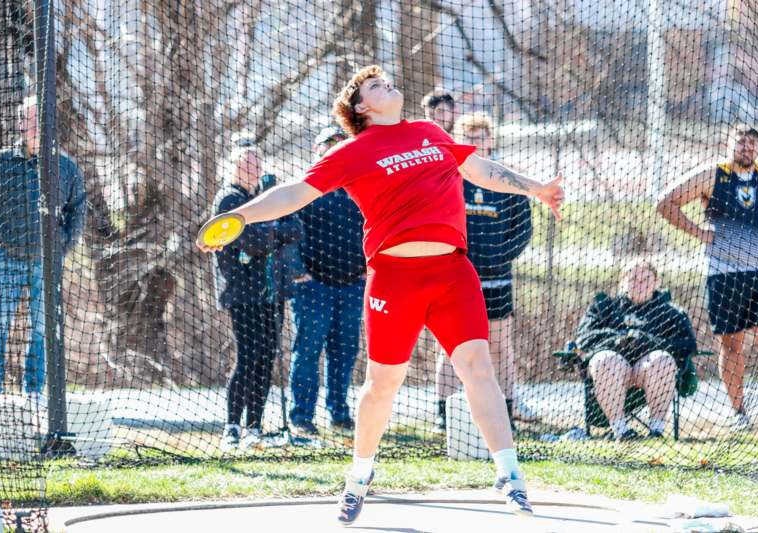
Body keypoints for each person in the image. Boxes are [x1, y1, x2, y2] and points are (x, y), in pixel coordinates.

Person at [198, 65, 564, 524]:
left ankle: (510, 478)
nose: (388, 83)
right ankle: (359, 478)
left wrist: (536, 189)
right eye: (375, 85)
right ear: (361, 107)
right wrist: (242, 217)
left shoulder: (430, 131)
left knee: (478, 368)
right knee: (382, 385)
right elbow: (294, 193)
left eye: (387, 80)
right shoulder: (354, 151)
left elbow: (482, 169)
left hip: (452, 272)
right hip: (395, 278)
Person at [657, 125, 758, 431]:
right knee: (732, 344)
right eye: (741, 142)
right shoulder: (713, 174)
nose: (746, 148)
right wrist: (698, 232)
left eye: (753, 143)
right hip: (724, 272)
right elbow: (665, 203)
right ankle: (739, 414)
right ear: (729, 144)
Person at [0, 96, 85, 400]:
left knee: (41, 329)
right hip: (7, 255)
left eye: (40, 119)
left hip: (47, 261)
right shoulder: (0, 163)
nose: (34, 125)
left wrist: (63, 244)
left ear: (50, 123)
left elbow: (78, 210)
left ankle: (34, 392)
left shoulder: (65, 166)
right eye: (29, 119)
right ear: (20, 123)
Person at [434, 113, 537, 432]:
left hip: (496, 279)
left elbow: (523, 229)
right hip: (455, 277)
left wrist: (499, 256)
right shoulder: (449, 176)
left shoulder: (506, 180)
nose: (478, 141)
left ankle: (506, 410)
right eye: (471, 136)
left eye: (482, 136)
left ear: (491, 140)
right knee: (452, 346)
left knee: (499, 344)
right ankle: (444, 414)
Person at [213, 144, 302, 451]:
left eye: (257, 163)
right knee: (248, 358)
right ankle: (232, 425)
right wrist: (273, 227)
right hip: (243, 293)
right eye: (247, 163)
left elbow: (295, 227)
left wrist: (271, 227)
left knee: (266, 359)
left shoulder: (266, 194)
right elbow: (251, 241)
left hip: (272, 293)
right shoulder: (230, 198)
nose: (253, 168)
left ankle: (255, 426)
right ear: (235, 167)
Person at [289, 126, 366, 435]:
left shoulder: (359, 187)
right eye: (328, 145)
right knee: (308, 350)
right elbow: (289, 232)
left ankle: (339, 413)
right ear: (316, 150)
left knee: (345, 351)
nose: (334, 149)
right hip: (312, 285)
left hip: (351, 285)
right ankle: (302, 417)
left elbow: (372, 229)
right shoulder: (306, 188)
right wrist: (298, 271)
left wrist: (366, 267)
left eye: (339, 144)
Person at [572, 260, 697, 440]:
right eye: (633, 279)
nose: (640, 284)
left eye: (646, 279)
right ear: (623, 281)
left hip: (647, 372)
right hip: (611, 371)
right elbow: (583, 338)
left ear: (657, 282)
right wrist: (618, 340)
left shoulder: (670, 312)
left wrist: (647, 342)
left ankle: (656, 430)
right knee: (606, 359)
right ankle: (621, 431)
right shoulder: (604, 307)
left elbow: (688, 345)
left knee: (661, 359)